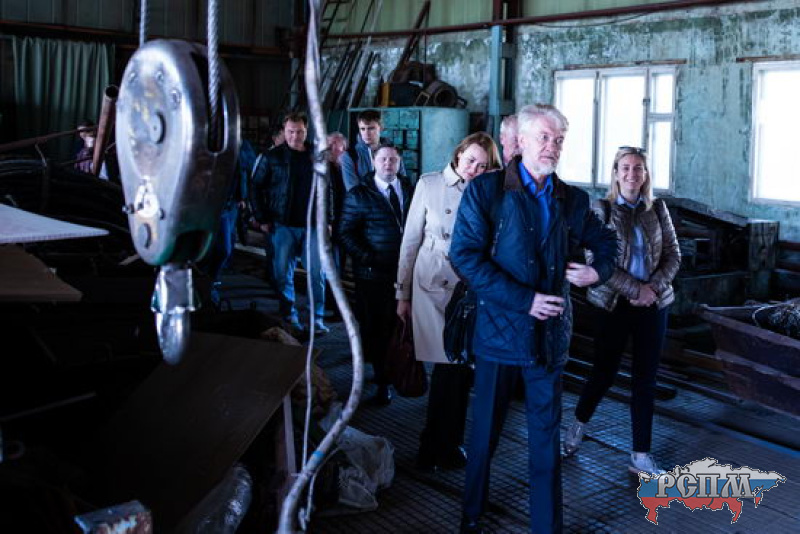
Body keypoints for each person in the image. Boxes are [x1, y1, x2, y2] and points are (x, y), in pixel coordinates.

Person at [449, 104, 618, 534]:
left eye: (558, 140)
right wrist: (524, 300)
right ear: (520, 141)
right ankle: (472, 515)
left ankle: (547, 528)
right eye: (544, 137)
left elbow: (606, 242)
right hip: (499, 337)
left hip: (548, 337)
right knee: (485, 434)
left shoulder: (571, 199)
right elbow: (464, 257)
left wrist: (597, 271)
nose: (552, 147)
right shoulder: (486, 191)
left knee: (545, 441)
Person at [563, 146, 681, 476]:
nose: (632, 174)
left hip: (653, 304)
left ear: (646, 174)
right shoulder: (601, 210)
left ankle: (640, 456)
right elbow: (596, 261)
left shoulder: (658, 208)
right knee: (604, 372)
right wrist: (635, 290)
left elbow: (673, 254)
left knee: (646, 379)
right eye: (625, 167)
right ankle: (576, 427)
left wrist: (652, 288)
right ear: (615, 173)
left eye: (638, 168)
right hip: (613, 305)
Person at [395, 132, 501, 471]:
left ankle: (446, 443)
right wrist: (402, 293)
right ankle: (434, 446)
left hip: (470, 289)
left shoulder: (489, 191)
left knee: (460, 371)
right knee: (449, 368)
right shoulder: (429, 184)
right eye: (470, 161)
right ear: (458, 155)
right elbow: (410, 241)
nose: (474, 169)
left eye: (482, 166)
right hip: (434, 285)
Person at [338, 143, 413, 405]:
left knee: (399, 325)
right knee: (377, 328)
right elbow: (345, 233)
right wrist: (370, 258)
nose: (388, 164)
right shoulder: (359, 194)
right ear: (373, 162)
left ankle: (398, 370)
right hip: (373, 276)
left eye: (393, 159)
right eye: (383, 159)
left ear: (399, 163)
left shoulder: (410, 189)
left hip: (405, 272)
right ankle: (382, 381)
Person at [249, 112, 329, 334]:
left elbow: (327, 189)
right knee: (283, 274)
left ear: (306, 131)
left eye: (299, 132)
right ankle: (289, 315)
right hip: (282, 225)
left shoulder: (317, 155)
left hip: (312, 226)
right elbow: (254, 187)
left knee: (317, 274)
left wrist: (328, 220)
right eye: (290, 132)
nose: (295, 136)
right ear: (284, 132)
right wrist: (262, 218)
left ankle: (316, 319)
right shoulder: (271, 157)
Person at [340, 109, 406, 190]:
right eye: (362, 129)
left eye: (371, 128)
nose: (366, 133)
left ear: (380, 128)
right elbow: (352, 190)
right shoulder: (349, 156)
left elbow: (403, 184)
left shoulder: (393, 152)